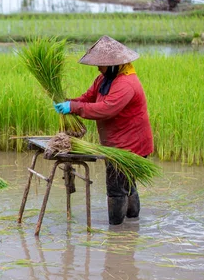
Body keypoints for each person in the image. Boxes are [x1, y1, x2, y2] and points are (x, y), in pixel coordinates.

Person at [53, 36, 154, 225]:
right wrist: (67, 101)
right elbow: (88, 97)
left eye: (102, 65)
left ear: (115, 64)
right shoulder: (104, 79)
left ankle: (116, 233)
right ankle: (132, 226)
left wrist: (73, 108)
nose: (98, 68)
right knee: (128, 186)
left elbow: (106, 109)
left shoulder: (126, 83)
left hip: (129, 146)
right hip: (118, 143)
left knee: (117, 189)